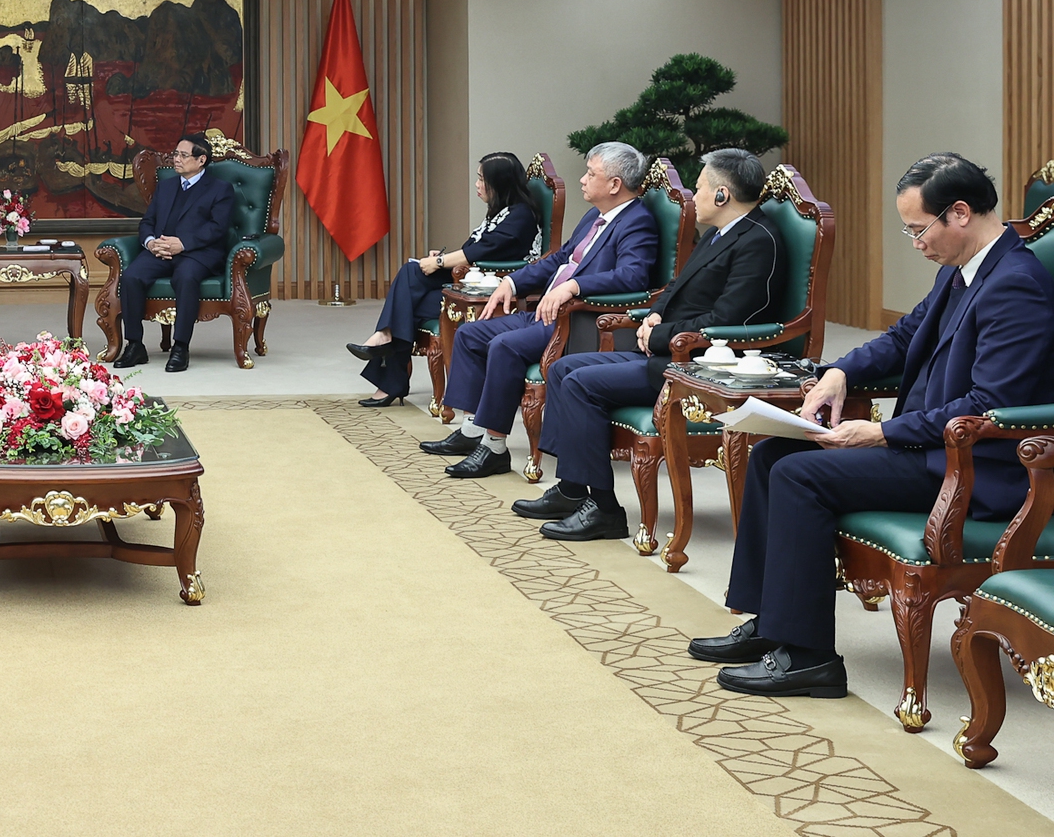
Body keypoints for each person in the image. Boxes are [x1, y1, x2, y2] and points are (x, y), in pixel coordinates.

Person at [692, 153, 1054, 699]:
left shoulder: (1015, 284)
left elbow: (988, 404)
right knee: (771, 455)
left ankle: (809, 658)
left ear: (960, 212)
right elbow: (903, 337)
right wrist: (839, 372)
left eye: (918, 229)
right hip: (930, 449)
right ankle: (772, 625)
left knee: (798, 475)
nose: (916, 243)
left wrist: (882, 433)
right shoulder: (961, 270)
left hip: (976, 467)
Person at [522, 148, 785, 540]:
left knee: (580, 383)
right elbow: (675, 286)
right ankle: (573, 490)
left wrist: (660, 334)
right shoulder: (720, 233)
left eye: (699, 188)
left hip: (700, 366)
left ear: (722, 195)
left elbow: (729, 320)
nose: (693, 196)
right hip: (668, 349)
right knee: (562, 369)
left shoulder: (757, 241)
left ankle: (605, 510)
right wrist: (654, 317)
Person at [426, 141, 658, 478]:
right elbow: (560, 258)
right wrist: (513, 282)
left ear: (614, 185)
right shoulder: (595, 216)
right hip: (545, 311)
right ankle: (472, 430)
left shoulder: (637, 221)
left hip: (579, 320)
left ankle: (494, 448)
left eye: (590, 173)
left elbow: (633, 275)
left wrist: (575, 286)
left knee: (504, 346)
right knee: (471, 334)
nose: (582, 179)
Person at [348, 152, 540, 406]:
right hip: (473, 280)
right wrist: (442, 258)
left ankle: (387, 356)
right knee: (411, 275)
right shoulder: (501, 211)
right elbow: (476, 249)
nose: (477, 184)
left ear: (500, 183)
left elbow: (483, 251)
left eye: (482, 179)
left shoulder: (520, 215)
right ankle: (385, 344)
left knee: (407, 303)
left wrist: (439, 262)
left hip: (492, 290)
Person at [113, 134, 238, 374]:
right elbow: (147, 222)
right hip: (160, 250)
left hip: (197, 253)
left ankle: (180, 347)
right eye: (175, 154)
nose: (176, 159)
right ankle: (135, 344)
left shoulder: (220, 189)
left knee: (185, 277)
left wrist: (183, 244)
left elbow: (217, 228)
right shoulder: (167, 186)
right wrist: (150, 243)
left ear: (201, 160)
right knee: (131, 277)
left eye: (183, 155)